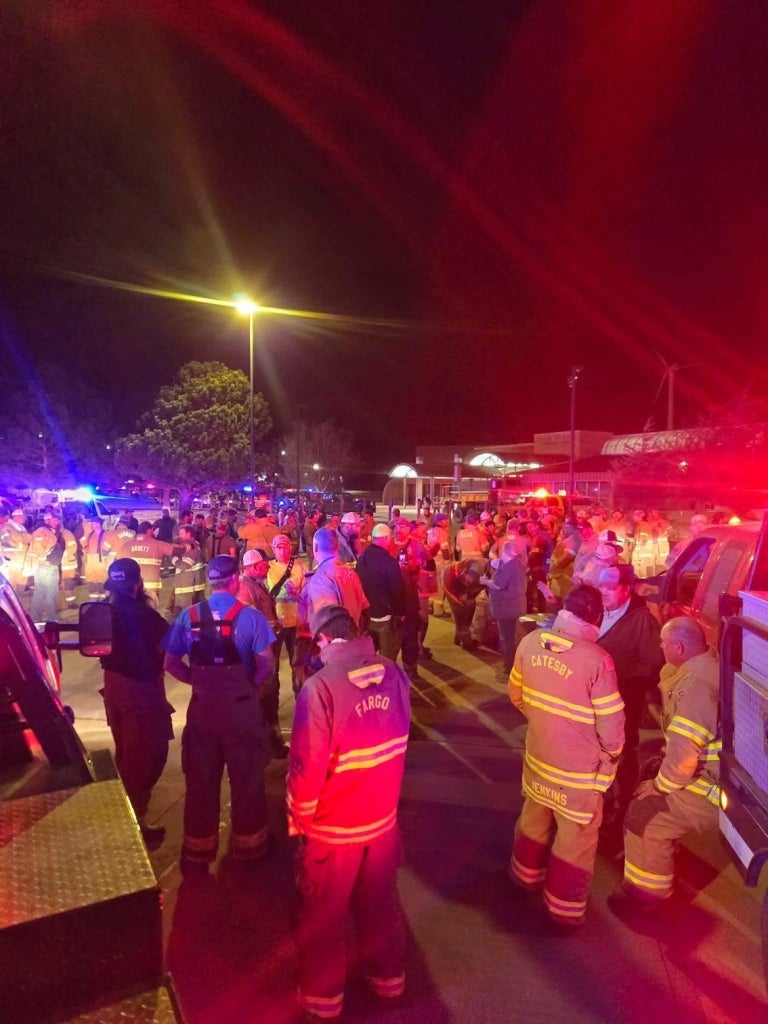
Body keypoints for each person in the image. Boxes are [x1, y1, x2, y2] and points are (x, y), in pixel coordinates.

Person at [287, 604, 410, 1022]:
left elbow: (307, 765)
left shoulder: (320, 689)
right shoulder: (394, 674)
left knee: (323, 916)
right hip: (382, 822)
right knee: (380, 904)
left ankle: (323, 1000)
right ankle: (389, 980)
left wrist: (300, 821)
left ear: (323, 639)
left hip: (334, 830)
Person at [508, 584, 625, 928]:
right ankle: (563, 911)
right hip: (578, 773)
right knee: (575, 840)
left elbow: (516, 694)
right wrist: (611, 756)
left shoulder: (530, 642)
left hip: (538, 757)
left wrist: (544, 722)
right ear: (596, 617)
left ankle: (523, 878)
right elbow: (612, 724)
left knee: (533, 819)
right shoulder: (597, 660)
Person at [164, 554, 275, 873]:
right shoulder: (251, 617)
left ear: (210, 582)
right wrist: (249, 687)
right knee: (247, 779)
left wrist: (198, 682)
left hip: (203, 710)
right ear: (235, 579)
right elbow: (266, 665)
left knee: (200, 782)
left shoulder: (188, 616)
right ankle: (250, 848)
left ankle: (198, 851)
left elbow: (170, 663)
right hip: (240, 711)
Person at [609, 617, 720, 915]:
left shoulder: (694, 686)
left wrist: (659, 786)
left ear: (679, 647)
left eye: (664, 642)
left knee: (645, 816)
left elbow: (684, 756)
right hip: (711, 777)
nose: (660, 647)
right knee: (649, 778)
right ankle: (655, 858)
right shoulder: (703, 670)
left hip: (708, 787)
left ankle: (648, 896)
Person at [99, 558, 173, 845]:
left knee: (127, 753)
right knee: (146, 756)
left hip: (114, 689)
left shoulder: (104, 612)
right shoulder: (146, 616)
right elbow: (170, 648)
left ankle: (129, 817)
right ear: (137, 585)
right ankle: (132, 825)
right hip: (141, 692)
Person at [596, 564, 664, 848]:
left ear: (627, 589)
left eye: (610, 587)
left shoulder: (642, 620)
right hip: (596, 703)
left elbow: (653, 664)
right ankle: (603, 803)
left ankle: (622, 810)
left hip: (623, 702)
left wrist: (622, 680)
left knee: (622, 754)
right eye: (601, 586)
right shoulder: (599, 610)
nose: (603, 592)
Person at [356, 523, 406, 661]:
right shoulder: (389, 562)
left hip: (367, 616)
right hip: (385, 618)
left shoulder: (362, 559)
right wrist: (401, 612)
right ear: (386, 539)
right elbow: (397, 590)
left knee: (368, 657)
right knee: (387, 659)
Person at [267, 531, 306, 699]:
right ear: (273, 549)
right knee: (272, 666)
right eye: (279, 548)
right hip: (276, 624)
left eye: (286, 547)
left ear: (291, 548)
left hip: (296, 622)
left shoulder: (300, 567)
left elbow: (308, 592)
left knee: (298, 664)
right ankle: (271, 703)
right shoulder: (267, 568)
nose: (283, 551)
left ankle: (300, 699)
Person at [480, 540, 527, 675]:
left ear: (503, 551)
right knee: (510, 637)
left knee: (507, 639)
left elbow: (497, 584)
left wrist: (485, 582)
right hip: (514, 607)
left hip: (507, 608)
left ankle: (508, 667)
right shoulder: (515, 564)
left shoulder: (509, 567)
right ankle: (510, 664)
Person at [29, 511, 78, 622]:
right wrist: (48, 559)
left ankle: (37, 618)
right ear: (46, 520)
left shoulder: (44, 531)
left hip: (46, 566)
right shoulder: (44, 532)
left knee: (42, 592)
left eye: (57, 520)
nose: (56, 522)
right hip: (47, 566)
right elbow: (40, 549)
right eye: (53, 519)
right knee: (49, 593)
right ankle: (51, 618)